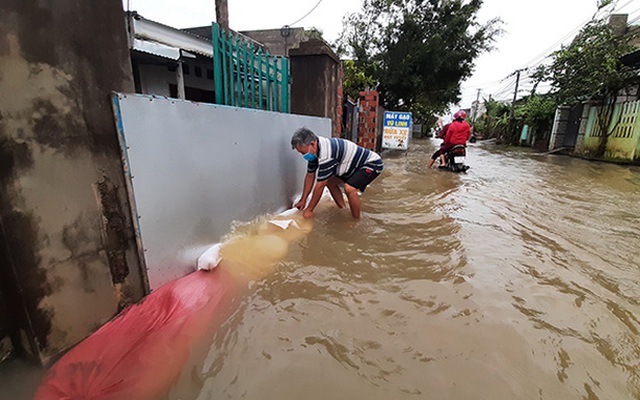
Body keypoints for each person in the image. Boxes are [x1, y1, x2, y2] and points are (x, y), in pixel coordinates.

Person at [291, 127, 383, 219]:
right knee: (330, 182)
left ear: (313, 144)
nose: (304, 156)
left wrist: (309, 210)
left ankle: (356, 221)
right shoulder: (315, 151)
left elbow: (320, 185)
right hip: (352, 166)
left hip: (372, 163)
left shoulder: (327, 155)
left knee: (350, 189)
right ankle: (343, 209)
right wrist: (303, 200)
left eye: (304, 153)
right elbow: (310, 176)